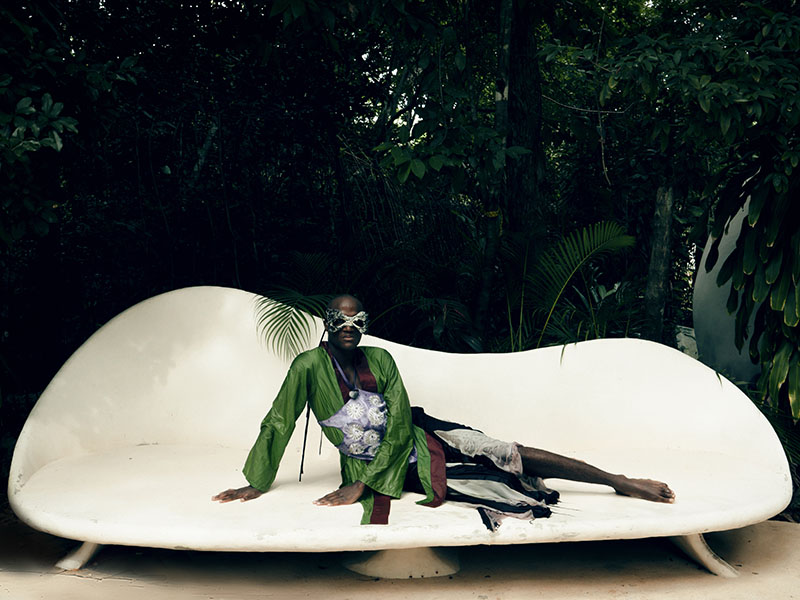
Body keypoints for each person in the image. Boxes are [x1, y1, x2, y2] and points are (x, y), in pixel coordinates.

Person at [213, 295, 675, 528]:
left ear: (365, 325)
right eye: (340, 319)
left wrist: (363, 487)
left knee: (500, 450)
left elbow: (399, 420)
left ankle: (617, 480)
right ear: (328, 324)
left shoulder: (381, 359)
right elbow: (280, 420)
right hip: (372, 460)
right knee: (480, 481)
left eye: (357, 319)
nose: (349, 326)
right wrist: (257, 481)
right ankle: (600, 481)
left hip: (417, 433)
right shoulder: (308, 366)